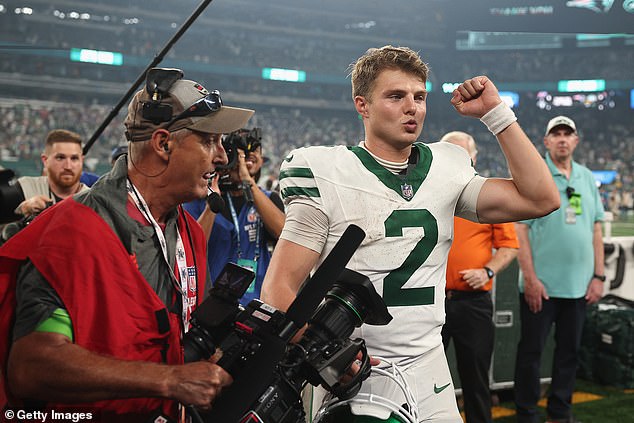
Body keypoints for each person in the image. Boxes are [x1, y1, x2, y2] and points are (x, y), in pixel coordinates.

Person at [260, 45, 559, 422]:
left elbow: (541, 198)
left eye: (419, 97)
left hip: (430, 367)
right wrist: (330, 354)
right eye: (396, 96)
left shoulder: (447, 166)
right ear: (362, 105)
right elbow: (279, 288)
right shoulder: (323, 169)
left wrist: (495, 114)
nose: (412, 106)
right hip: (356, 370)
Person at [0, 69, 254, 421]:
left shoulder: (191, 233)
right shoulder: (71, 232)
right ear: (163, 144)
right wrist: (167, 379)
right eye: (210, 140)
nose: (223, 157)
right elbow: (31, 365)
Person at [513, 116, 605, 423]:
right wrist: (531, 278)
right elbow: (521, 231)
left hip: (579, 285)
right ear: (546, 141)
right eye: (557, 134)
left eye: (568, 134)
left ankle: (560, 412)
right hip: (542, 286)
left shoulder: (586, 178)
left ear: (576, 141)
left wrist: (599, 276)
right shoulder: (535, 174)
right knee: (531, 354)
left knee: (569, 353)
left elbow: (595, 230)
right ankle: (526, 413)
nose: (563, 139)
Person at [440, 131, 519, 423]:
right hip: (429, 301)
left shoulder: (489, 194)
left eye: (462, 154)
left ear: (474, 157)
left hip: (472, 303)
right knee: (423, 378)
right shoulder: (426, 194)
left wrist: (487, 270)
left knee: (475, 381)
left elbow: (509, 246)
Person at [183, 128, 285, 305]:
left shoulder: (269, 199)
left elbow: (282, 233)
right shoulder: (201, 199)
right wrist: (212, 204)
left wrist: (248, 182)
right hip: (209, 300)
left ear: (260, 162)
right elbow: (190, 247)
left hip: (254, 302)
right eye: (239, 155)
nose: (244, 160)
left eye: (253, 153)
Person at [0, 129, 90, 243]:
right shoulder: (25, 188)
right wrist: (21, 212)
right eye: (60, 158)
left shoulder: (92, 200)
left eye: (74, 158)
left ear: (82, 160)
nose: (68, 166)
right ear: (45, 160)